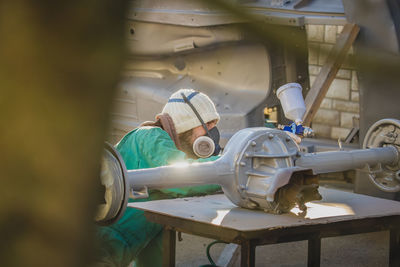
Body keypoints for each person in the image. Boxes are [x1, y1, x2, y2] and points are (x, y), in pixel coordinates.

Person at [96, 89, 222, 267]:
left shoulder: (160, 207)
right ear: (187, 122)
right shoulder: (150, 137)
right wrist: (229, 164)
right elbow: (181, 178)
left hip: (115, 247)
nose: (212, 132)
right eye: (208, 124)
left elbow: (153, 257)